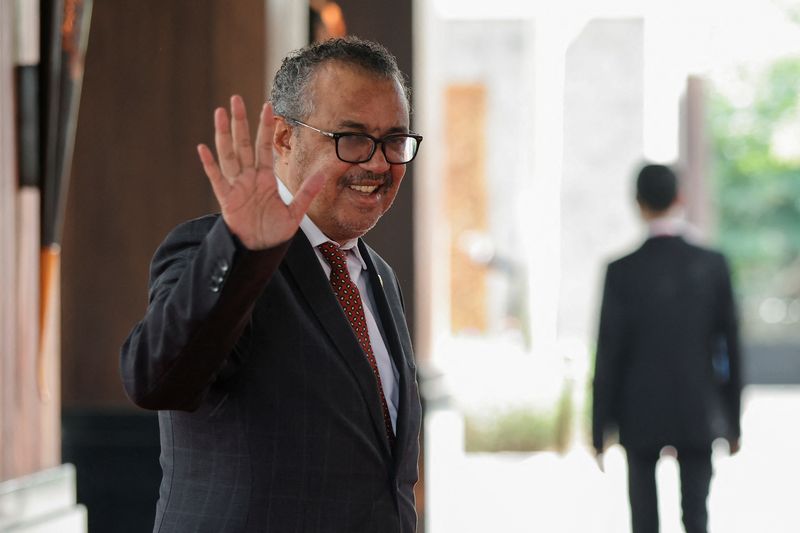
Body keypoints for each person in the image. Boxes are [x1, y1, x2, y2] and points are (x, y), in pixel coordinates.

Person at [120, 37, 423, 532]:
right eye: (351, 137)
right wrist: (241, 248)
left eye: (394, 139)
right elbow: (157, 379)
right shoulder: (215, 250)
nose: (377, 163)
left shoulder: (378, 277)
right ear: (284, 139)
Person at [591, 164, 743, 533]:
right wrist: (733, 422)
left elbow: (608, 353)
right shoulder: (712, 265)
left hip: (637, 412)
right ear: (680, 199)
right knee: (696, 518)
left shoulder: (621, 270)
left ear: (638, 204)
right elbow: (732, 348)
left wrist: (599, 429)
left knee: (643, 521)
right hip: (697, 409)